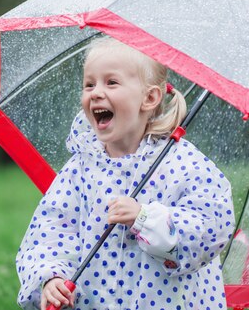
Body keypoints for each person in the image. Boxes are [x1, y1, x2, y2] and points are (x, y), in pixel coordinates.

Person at [16, 36, 234, 310]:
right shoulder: (82, 167)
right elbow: (51, 229)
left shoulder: (182, 163)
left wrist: (146, 219)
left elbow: (209, 227)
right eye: (89, 84)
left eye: (111, 82)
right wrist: (52, 277)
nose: (95, 92)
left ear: (150, 97)